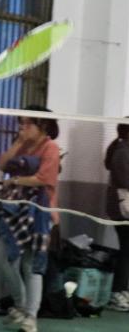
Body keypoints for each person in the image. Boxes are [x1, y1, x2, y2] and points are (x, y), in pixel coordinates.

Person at [0, 106, 60, 332]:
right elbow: (3, 164)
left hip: (39, 213)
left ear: (42, 125)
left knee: (30, 264)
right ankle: (20, 305)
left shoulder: (51, 148)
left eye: (28, 123)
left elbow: (44, 178)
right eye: (20, 123)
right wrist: (17, 143)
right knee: (5, 260)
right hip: (15, 211)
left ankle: (31, 317)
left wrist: (14, 181)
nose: (22, 127)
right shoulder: (22, 145)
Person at [105, 121, 129, 311]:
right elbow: (124, 180)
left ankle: (122, 290)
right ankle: (117, 292)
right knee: (126, 250)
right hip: (122, 210)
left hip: (121, 208)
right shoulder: (122, 151)